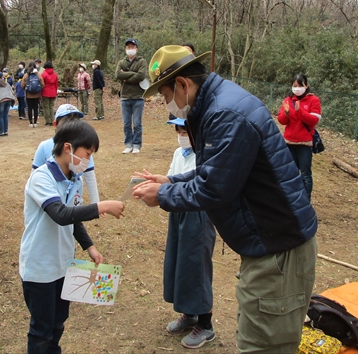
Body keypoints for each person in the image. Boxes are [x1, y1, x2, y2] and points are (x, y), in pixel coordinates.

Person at [132, 45, 318, 354]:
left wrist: (163, 195)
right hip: (268, 245)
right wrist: (172, 180)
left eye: (165, 97)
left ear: (182, 84)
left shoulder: (225, 114)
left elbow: (214, 189)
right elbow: (217, 172)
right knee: (256, 335)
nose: (167, 106)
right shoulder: (215, 105)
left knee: (261, 345)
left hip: (279, 250)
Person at [19, 121, 125, 353]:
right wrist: (101, 206)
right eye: (87, 154)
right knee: (42, 330)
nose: (88, 161)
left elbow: (74, 219)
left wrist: (90, 247)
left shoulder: (73, 180)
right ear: (68, 147)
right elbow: (61, 214)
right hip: (40, 268)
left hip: (62, 265)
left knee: (58, 322)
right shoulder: (41, 178)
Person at [161, 117, 216, 349]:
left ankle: (206, 325)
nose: (182, 134)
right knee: (180, 262)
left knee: (196, 265)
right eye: (179, 129)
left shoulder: (206, 156)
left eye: (186, 130)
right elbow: (171, 178)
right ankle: (189, 313)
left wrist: (168, 188)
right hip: (178, 212)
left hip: (198, 214)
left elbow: (195, 184)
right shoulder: (178, 153)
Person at [32, 104, 100, 203]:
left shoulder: (82, 151)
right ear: (55, 124)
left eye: (75, 121)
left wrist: (96, 203)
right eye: (66, 122)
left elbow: (90, 176)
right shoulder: (44, 147)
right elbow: (34, 178)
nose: (71, 125)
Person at [277, 74, 321, 200]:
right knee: (291, 173)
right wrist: (286, 113)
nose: (297, 88)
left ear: (306, 86)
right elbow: (282, 121)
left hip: (304, 143)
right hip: (289, 142)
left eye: (300, 86)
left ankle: (305, 200)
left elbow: (313, 120)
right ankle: (291, 199)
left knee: (305, 174)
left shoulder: (314, 100)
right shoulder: (287, 100)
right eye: (294, 86)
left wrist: (299, 112)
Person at [115, 38, 148, 154]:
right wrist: (133, 74)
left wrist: (126, 77)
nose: (130, 49)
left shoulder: (142, 61)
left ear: (137, 49)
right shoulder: (121, 62)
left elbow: (141, 75)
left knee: (137, 123)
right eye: (128, 47)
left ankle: (137, 145)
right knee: (126, 123)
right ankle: (128, 144)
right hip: (124, 97)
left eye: (132, 47)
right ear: (125, 49)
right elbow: (118, 74)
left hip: (138, 97)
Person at [22, 63, 43, 128]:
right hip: (36, 95)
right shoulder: (38, 75)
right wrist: (38, 89)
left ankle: (31, 123)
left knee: (30, 108)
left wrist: (25, 89)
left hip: (28, 95)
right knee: (36, 108)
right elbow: (42, 84)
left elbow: (22, 85)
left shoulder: (26, 75)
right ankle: (35, 123)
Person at [41, 61, 59, 126]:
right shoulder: (55, 74)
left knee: (46, 107)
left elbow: (42, 83)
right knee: (51, 106)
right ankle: (52, 120)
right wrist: (55, 91)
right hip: (53, 91)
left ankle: (48, 121)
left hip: (45, 92)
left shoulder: (43, 74)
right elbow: (56, 84)